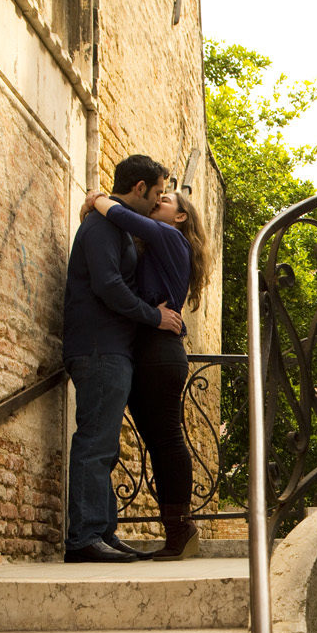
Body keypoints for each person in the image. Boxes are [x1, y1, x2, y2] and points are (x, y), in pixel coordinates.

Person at [61, 154, 183, 564]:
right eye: (158, 193)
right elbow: (108, 284)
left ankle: (103, 532)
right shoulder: (101, 225)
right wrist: (154, 316)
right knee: (95, 444)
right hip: (98, 348)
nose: (158, 201)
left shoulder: (115, 224)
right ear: (139, 188)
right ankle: (84, 538)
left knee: (105, 446)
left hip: (114, 349)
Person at [83, 186, 210, 559]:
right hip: (148, 352)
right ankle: (177, 531)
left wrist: (98, 201)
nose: (157, 203)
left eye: (165, 201)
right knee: (159, 443)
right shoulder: (154, 245)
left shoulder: (170, 236)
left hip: (160, 353)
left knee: (167, 441)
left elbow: (124, 216)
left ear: (181, 216)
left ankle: (180, 530)